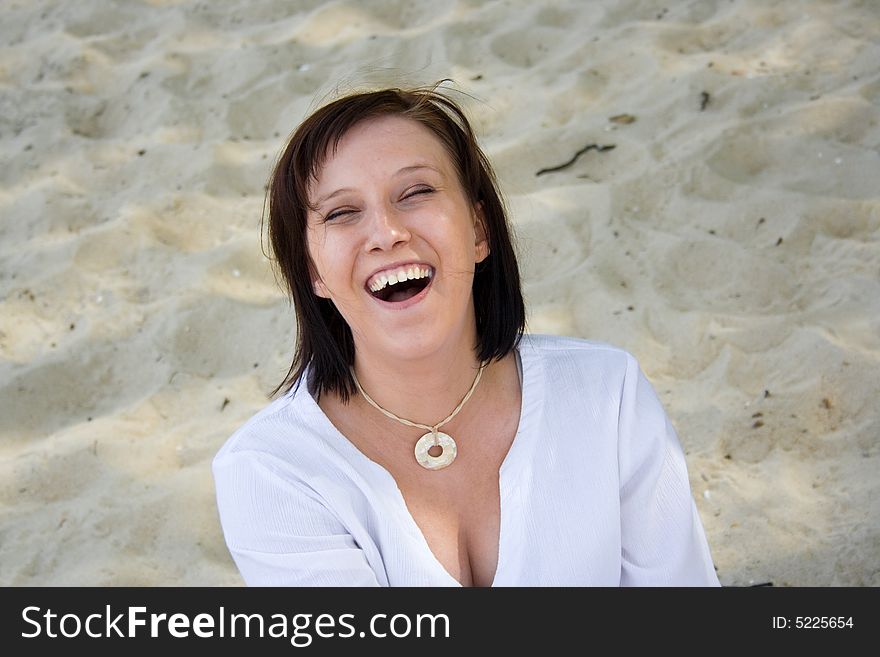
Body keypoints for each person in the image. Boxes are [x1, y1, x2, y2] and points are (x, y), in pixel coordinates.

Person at [212, 83, 721, 587]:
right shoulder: (271, 469)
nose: (388, 232)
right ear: (312, 271)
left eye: (416, 192)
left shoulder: (608, 395)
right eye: (342, 213)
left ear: (478, 230)